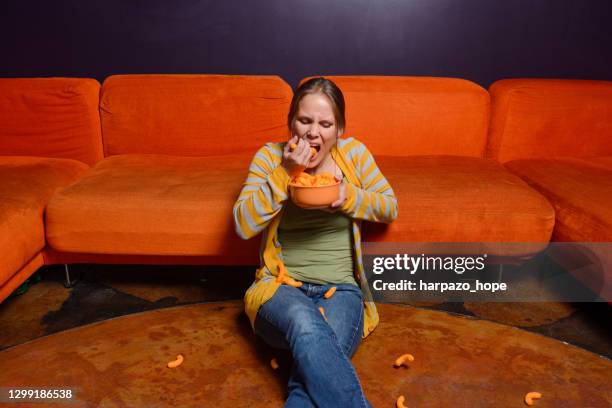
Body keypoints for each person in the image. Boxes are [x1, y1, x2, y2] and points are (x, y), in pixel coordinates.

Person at [233, 77, 398, 407]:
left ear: (339, 130)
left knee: (309, 372)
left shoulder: (353, 155)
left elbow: (389, 206)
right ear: (291, 121)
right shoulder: (270, 157)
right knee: (306, 323)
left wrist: (347, 194)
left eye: (326, 124)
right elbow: (243, 224)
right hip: (278, 289)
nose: (313, 132)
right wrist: (285, 172)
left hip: (341, 289)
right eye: (305, 120)